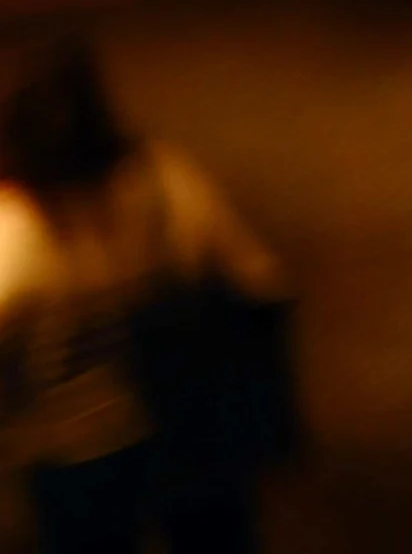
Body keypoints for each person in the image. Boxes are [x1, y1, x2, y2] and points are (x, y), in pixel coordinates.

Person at [0, 36, 287, 554]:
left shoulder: (15, 231)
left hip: (73, 454)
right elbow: (261, 280)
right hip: (189, 423)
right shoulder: (161, 179)